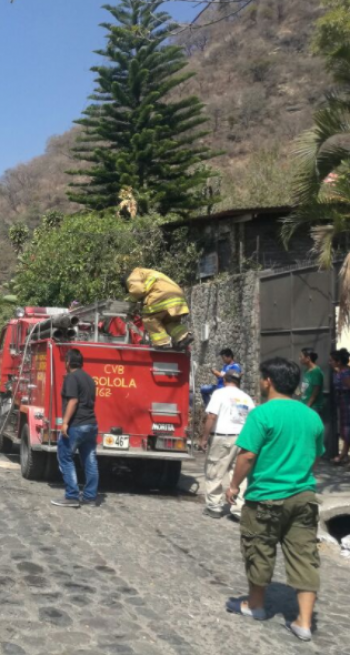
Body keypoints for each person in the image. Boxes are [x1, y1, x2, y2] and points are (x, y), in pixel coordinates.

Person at [225, 357, 325, 642]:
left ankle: (256, 605)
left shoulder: (262, 414)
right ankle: (304, 622)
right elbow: (316, 454)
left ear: (268, 380)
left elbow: (247, 455)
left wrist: (233, 485)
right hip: (304, 497)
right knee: (305, 556)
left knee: (259, 549)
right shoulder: (311, 416)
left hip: (265, 497)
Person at [199, 370, 254, 519]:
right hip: (242, 439)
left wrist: (204, 438)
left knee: (215, 470)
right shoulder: (247, 398)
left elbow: (211, 416)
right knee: (238, 473)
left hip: (222, 437)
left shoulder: (219, 394)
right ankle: (238, 508)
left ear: (225, 380)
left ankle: (214, 507)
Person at [51, 349, 100, 508]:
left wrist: (65, 422)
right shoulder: (89, 378)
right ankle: (90, 497)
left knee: (65, 457)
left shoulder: (71, 377)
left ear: (68, 362)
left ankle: (72, 495)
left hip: (77, 425)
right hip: (91, 424)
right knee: (90, 460)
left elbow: (73, 401)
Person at [123, 267, 192, 349]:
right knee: (168, 322)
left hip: (162, 296)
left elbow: (138, 291)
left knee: (149, 319)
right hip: (177, 296)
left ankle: (162, 343)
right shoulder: (146, 273)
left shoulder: (132, 276)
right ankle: (184, 337)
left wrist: (131, 300)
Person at [329, 349, 350, 464]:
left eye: (332, 360)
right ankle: (343, 455)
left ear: (339, 362)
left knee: (347, 430)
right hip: (343, 402)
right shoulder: (340, 371)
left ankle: (343, 456)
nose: (330, 362)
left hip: (347, 403)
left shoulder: (345, 373)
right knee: (345, 430)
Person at [298, 348, 325, 417]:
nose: (299, 359)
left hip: (313, 407)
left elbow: (315, 393)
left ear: (308, 358)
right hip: (304, 405)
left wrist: (307, 406)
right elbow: (305, 387)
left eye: (301, 356)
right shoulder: (306, 370)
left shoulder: (316, 372)